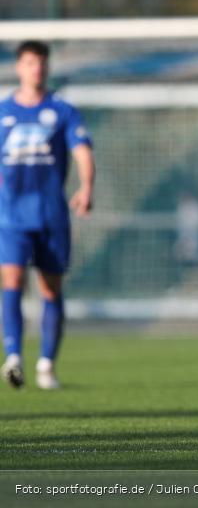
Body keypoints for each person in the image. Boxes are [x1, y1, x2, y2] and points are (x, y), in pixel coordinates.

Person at [0, 40, 95, 390]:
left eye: (40, 63)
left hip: (52, 216)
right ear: (18, 67)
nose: (35, 69)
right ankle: (12, 357)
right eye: (29, 63)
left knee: (50, 289)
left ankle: (45, 365)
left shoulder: (63, 111)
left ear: (47, 67)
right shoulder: (3, 111)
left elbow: (82, 150)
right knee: (10, 281)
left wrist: (86, 187)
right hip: (10, 216)